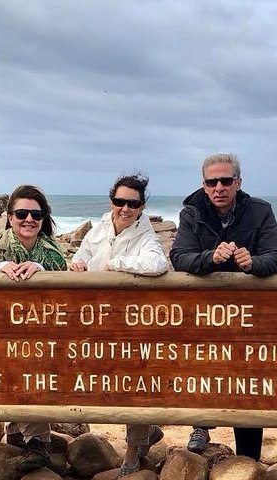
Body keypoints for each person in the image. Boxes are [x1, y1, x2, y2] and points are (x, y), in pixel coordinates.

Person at [169, 153, 277, 460]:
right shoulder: (192, 212)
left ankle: (248, 458)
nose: (219, 187)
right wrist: (211, 258)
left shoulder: (260, 210)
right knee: (202, 368)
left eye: (226, 180)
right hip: (205, 310)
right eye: (212, 181)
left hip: (249, 312)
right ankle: (201, 424)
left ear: (238, 182)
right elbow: (179, 256)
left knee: (247, 378)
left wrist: (254, 263)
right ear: (204, 185)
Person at [70, 173, 167, 477]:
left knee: (132, 382)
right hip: (95, 318)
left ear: (141, 206)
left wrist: (115, 265)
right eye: (119, 201)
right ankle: (149, 432)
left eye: (133, 203)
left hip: (130, 323)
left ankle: (134, 448)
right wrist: (78, 265)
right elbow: (80, 258)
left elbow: (157, 264)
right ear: (111, 200)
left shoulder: (146, 235)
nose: (125, 208)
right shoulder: (99, 227)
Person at [0, 184, 67, 472]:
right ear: (9, 215)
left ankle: (38, 442)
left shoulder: (53, 253)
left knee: (32, 372)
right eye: (21, 213)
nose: (29, 219)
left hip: (41, 330)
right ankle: (18, 431)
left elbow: (67, 290)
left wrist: (42, 271)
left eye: (36, 214)